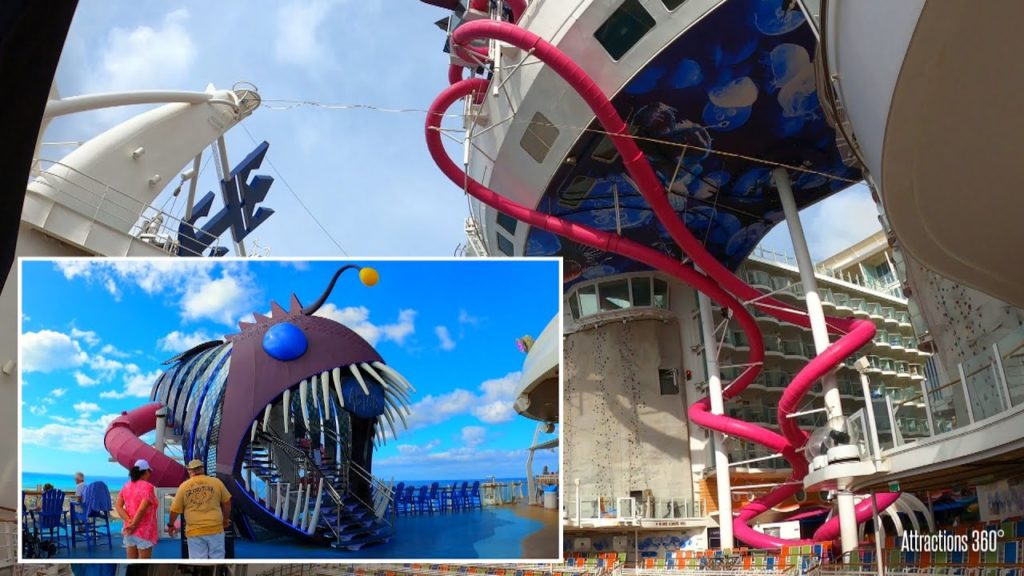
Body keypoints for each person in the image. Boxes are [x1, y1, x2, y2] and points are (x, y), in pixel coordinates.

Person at [167, 460, 231, 559]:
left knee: (198, 562)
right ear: (202, 469)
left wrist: (171, 525)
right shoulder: (216, 482)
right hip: (215, 528)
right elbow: (227, 502)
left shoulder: (184, 486)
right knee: (218, 559)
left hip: (194, 531)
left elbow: (175, 510)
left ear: (189, 471)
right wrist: (225, 519)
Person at [114, 459, 158, 559]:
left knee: (131, 563)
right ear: (146, 471)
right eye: (149, 472)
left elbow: (118, 506)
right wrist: (134, 524)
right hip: (144, 531)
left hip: (128, 530)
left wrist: (129, 521)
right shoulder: (148, 487)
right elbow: (142, 509)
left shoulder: (126, 486)